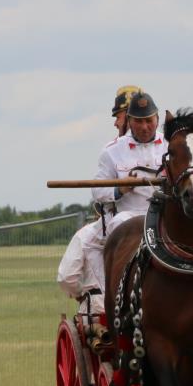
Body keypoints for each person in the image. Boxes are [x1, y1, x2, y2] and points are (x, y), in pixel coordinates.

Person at [56, 85, 144, 300]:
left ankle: (107, 300)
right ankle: (100, 300)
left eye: (119, 115)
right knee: (67, 273)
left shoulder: (163, 146)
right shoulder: (113, 149)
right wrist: (119, 189)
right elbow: (99, 190)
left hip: (131, 220)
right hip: (109, 220)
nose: (115, 122)